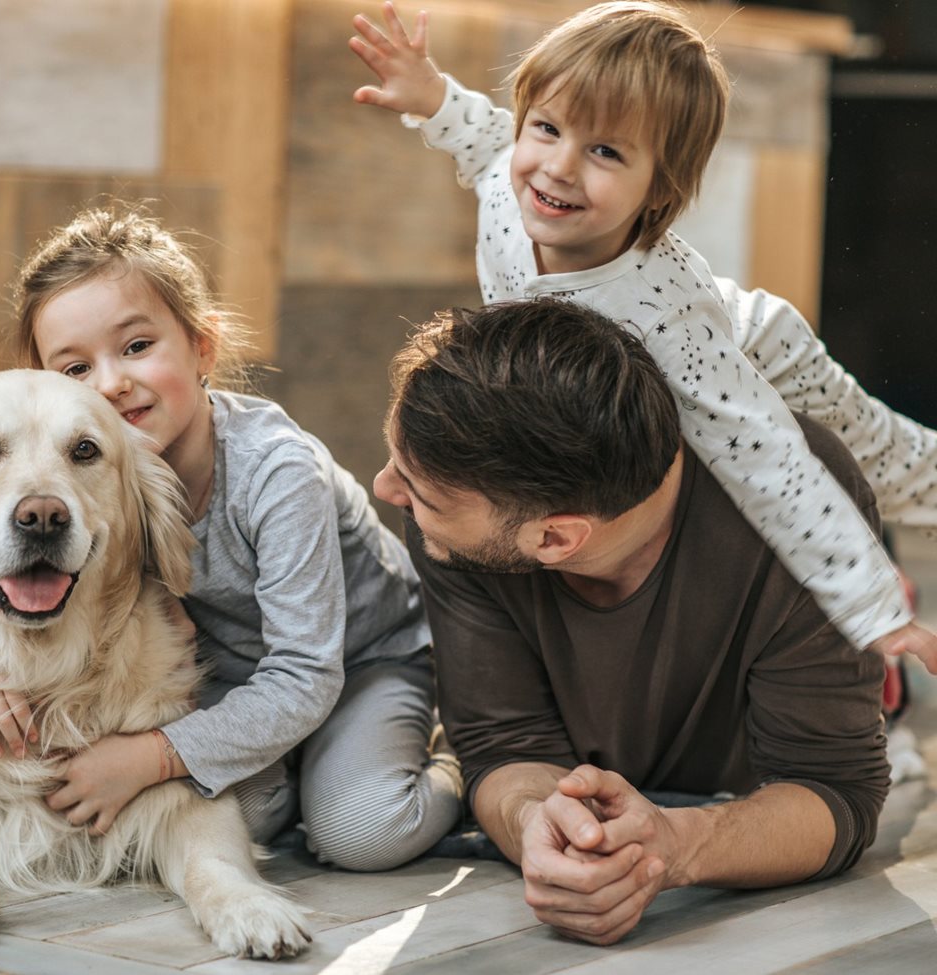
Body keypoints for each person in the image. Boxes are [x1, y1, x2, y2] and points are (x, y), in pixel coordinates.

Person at [0, 204, 464, 870]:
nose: (112, 383)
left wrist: (151, 756)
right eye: (74, 370)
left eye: (136, 346)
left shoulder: (279, 472)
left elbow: (304, 675)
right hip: (226, 677)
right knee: (252, 813)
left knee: (361, 830)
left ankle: (454, 764)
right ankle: (301, 764)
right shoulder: (82, 472)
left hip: (353, 665)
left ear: (203, 346)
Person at [350, 1, 937, 672]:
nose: (557, 167)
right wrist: (429, 96)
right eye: (545, 127)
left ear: (660, 188)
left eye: (603, 150)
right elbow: (487, 141)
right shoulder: (514, 190)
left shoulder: (662, 319)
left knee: (895, 467)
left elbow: (775, 463)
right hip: (686, 358)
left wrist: (876, 611)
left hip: (760, 356)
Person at [373, 298, 890, 945]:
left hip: (752, 766)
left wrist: (676, 844)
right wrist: (538, 820)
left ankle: (875, 671)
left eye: (418, 493)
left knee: (871, 703)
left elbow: (835, 790)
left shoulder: (804, 494)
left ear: (556, 539)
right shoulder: (453, 509)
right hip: (602, 753)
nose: (384, 487)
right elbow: (505, 747)